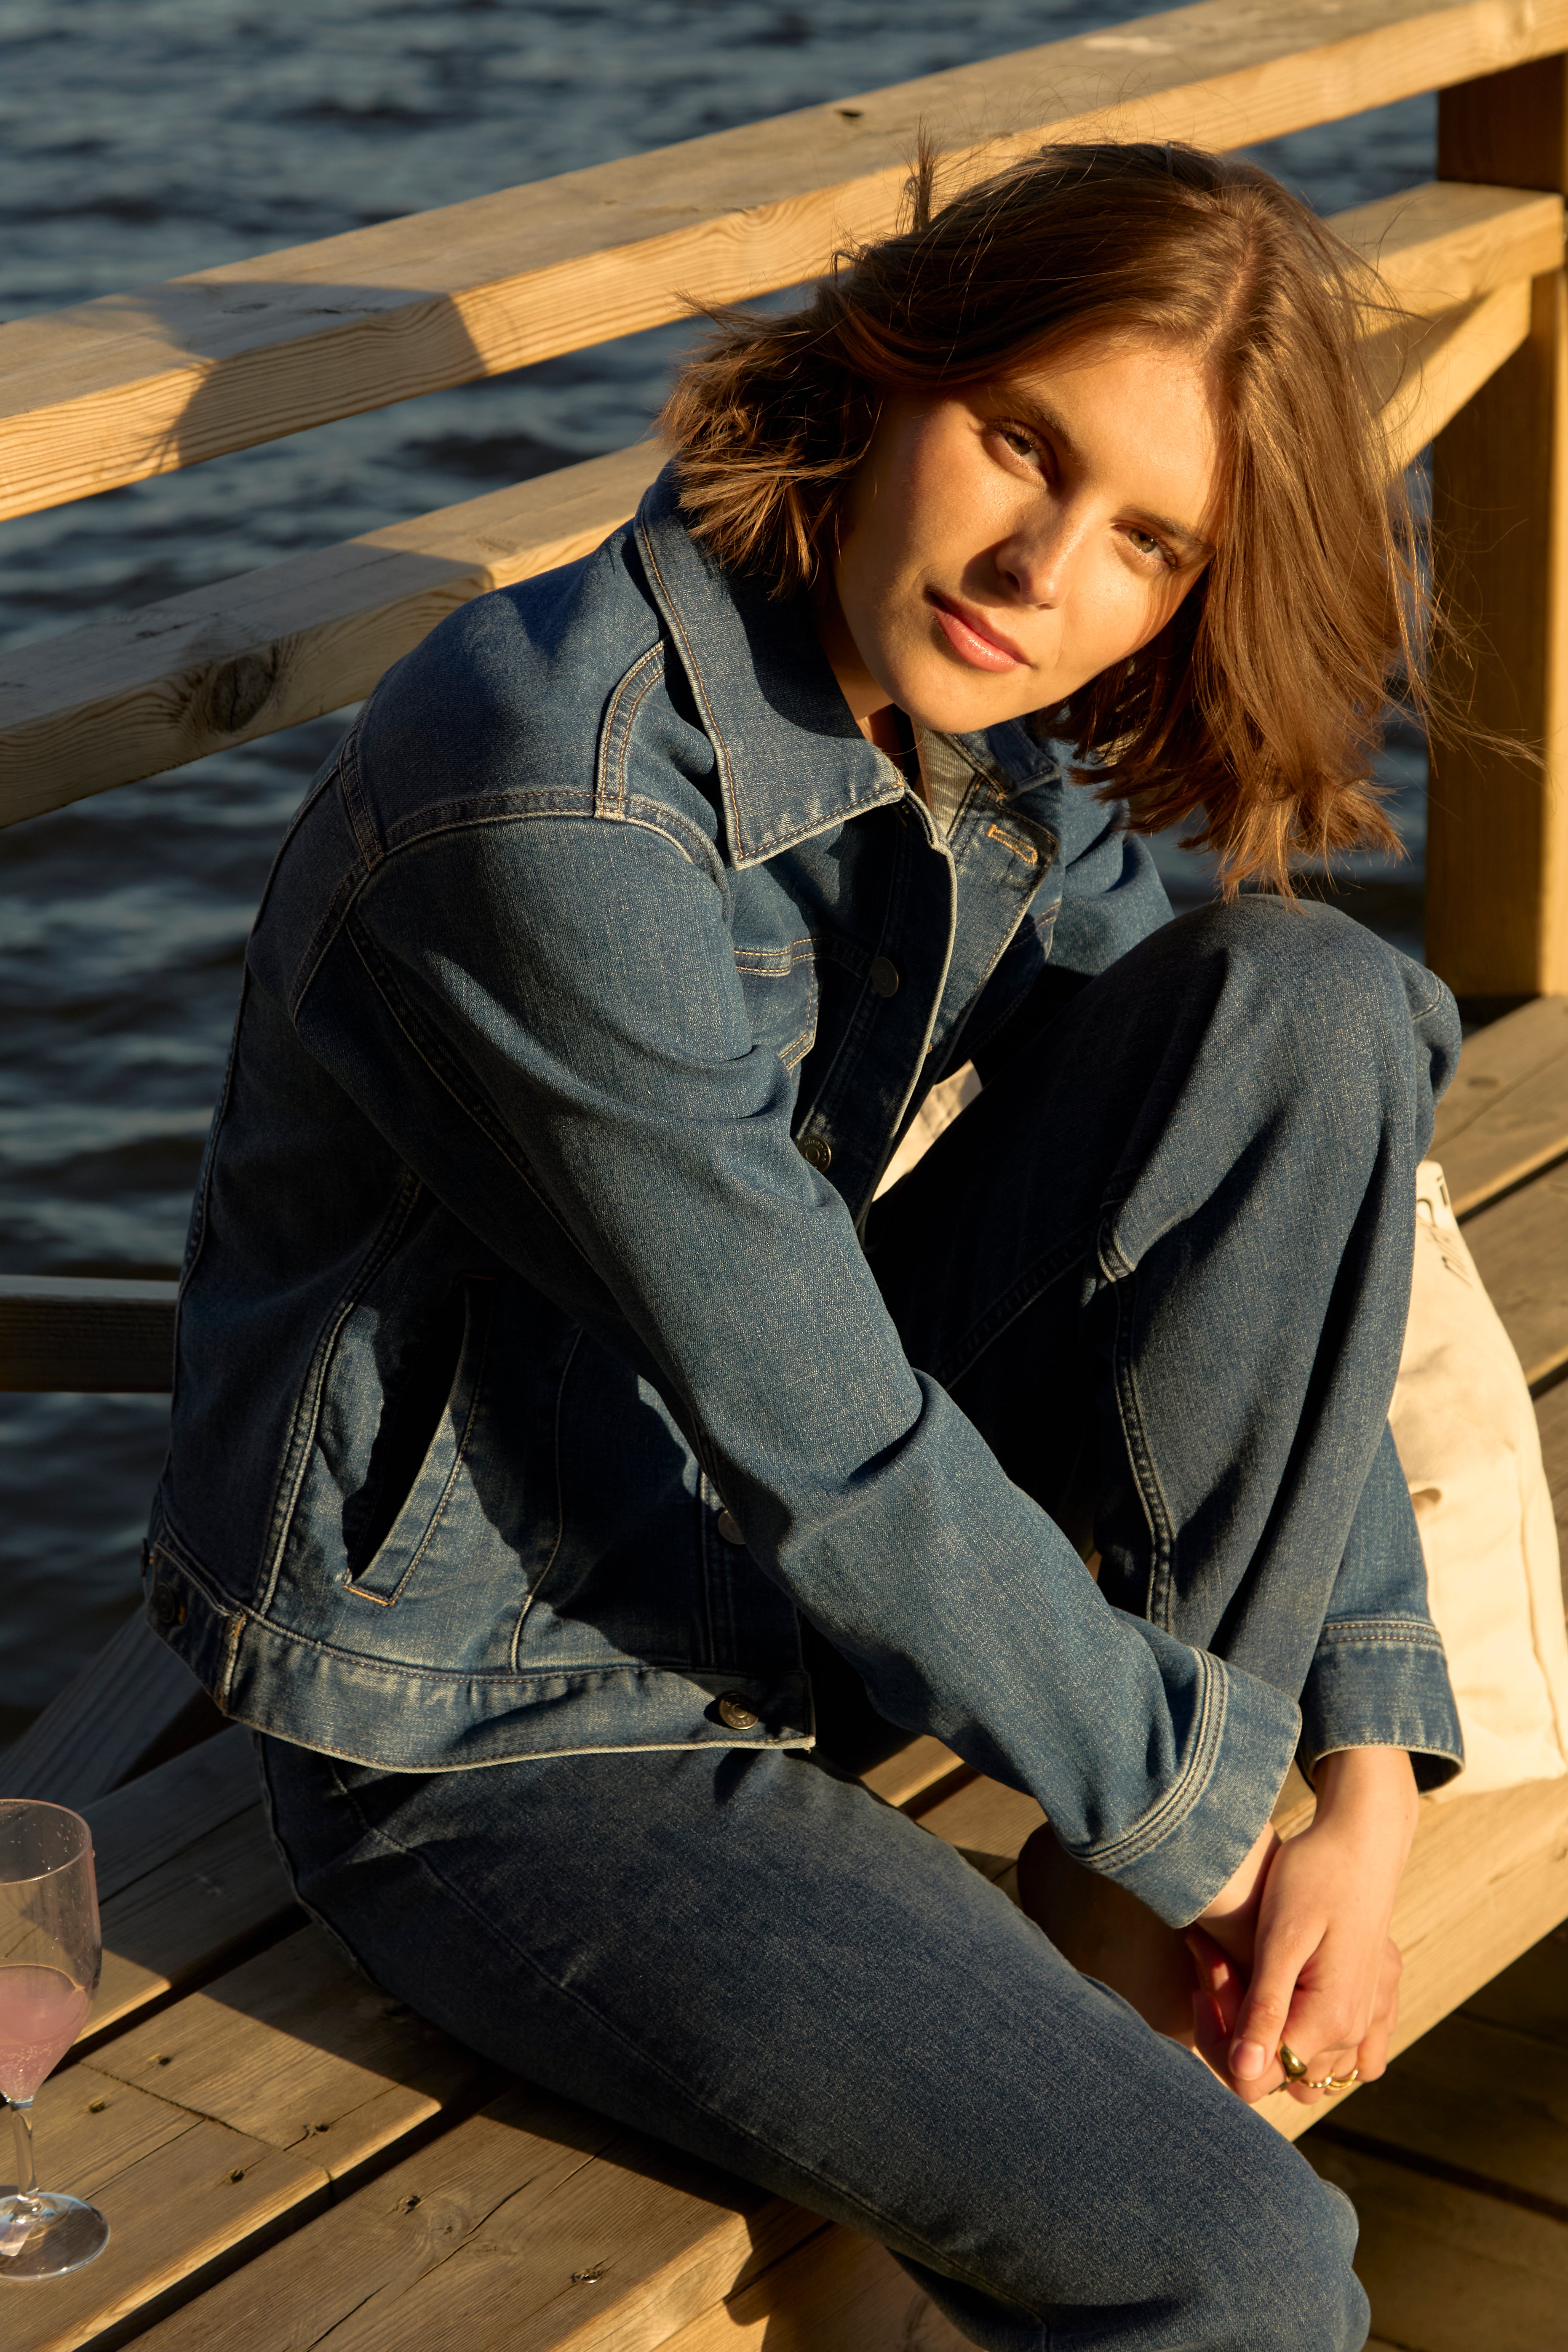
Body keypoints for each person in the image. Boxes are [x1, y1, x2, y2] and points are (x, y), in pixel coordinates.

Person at [144, 141, 1464, 2350]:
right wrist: (1214, 1807)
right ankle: (1133, 2019)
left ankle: (1114, 1984)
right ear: (900, 353)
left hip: (793, 1570)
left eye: (1153, 541)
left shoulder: (973, 716)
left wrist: (1353, 1772)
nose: (1045, 571)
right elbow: (827, 1440)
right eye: (1026, 445)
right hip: (509, 1714)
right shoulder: (544, 796)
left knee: (1313, 1003)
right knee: (1240, 2261)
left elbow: (1270, 1180)